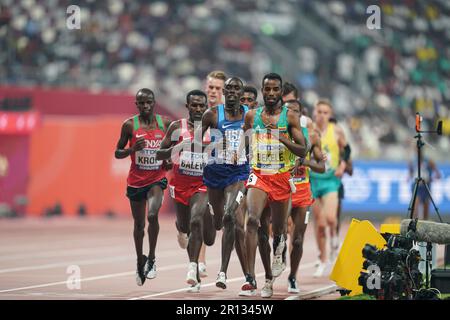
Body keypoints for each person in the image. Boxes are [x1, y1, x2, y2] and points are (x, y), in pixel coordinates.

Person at [241, 73, 307, 298]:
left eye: (274, 89)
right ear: (262, 90)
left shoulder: (290, 118)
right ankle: (252, 276)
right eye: (266, 89)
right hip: (259, 175)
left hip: (280, 178)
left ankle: (279, 247)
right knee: (253, 220)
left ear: (280, 91)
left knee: (278, 231)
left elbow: (302, 149)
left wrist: (282, 139)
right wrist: (240, 154)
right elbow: (245, 138)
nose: (270, 93)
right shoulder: (252, 116)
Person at [156, 90, 216, 292]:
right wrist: (179, 147)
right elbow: (160, 153)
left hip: (202, 184)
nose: (198, 109)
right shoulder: (176, 127)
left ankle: (193, 268)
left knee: (197, 220)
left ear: (206, 107)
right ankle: (180, 229)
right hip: (180, 186)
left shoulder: (213, 129)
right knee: (185, 226)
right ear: (187, 106)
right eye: (194, 105)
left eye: (202, 105)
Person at [114, 88, 171, 286]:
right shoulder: (129, 125)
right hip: (136, 181)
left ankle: (153, 259)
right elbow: (117, 153)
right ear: (136, 105)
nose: (145, 106)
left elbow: (173, 147)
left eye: (149, 102)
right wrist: (131, 149)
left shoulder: (165, 123)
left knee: (153, 215)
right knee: (139, 226)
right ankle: (140, 261)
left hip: (157, 178)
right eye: (141, 103)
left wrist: (169, 160)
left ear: (154, 102)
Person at [199, 77, 250, 290]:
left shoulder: (250, 115)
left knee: (231, 216)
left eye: (235, 89)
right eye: (228, 88)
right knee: (219, 222)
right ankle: (212, 215)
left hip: (238, 174)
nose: (231, 92)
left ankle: (222, 272)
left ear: (241, 93)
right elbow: (196, 143)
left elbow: (258, 138)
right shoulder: (211, 115)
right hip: (214, 173)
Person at [285, 100, 325, 293]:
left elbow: (322, 167)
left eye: (296, 111)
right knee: (277, 231)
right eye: (288, 110)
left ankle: (292, 276)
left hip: (302, 193)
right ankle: (277, 253)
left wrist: (305, 162)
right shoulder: (277, 132)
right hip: (281, 189)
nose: (291, 114)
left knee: (298, 240)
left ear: (301, 115)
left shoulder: (312, 136)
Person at [309, 99, 349, 278]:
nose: (322, 115)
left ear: (330, 115)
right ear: (314, 112)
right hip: (313, 179)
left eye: (326, 112)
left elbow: (346, 149)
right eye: (319, 111)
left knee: (331, 218)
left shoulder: (337, 130)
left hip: (331, 180)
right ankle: (323, 259)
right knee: (320, 224)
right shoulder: (309, 130)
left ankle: (334, 239)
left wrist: (342, 164)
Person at [199, 70, 227, 276]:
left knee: (222, 220)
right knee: (199, 214)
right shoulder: (197, 109)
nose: (214, 91)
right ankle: (199, 262)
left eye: (218, 88)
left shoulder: (228, 113)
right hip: (201, 171)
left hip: (225, 172)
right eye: (211, 87)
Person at [408, 148, 441, 220]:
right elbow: (410, 173)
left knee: (426, 211)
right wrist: (409, 177)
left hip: (426, 187)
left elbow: (438, 174)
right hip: (416, 187)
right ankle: (414, 225)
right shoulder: (412, 161)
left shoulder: (429, 161)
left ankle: (424, 225)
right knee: (415, 207)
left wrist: (431, 179)